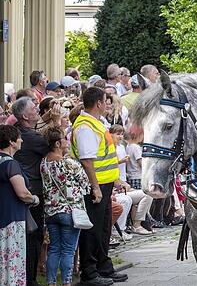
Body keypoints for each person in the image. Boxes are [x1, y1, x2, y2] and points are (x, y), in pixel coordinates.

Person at [70, 87, 126, 285]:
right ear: (98, 103)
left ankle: (103, 266)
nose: (108, 105)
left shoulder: (96, 123)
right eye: (105, 101)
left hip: (105, 183)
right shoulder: (86, 126)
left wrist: (114, 180)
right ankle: (89, 273)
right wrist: (95, 187)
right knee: (92, 230)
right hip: (95, 186)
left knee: (103, 228)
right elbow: (87, 160)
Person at [40, 126, 91, 286]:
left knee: (54, 248)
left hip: (51, 211)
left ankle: (51, 282)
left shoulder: (43, 163)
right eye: (64, 139)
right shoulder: (69, 163)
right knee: (68, 250)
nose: (67, 141)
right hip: (69, 211)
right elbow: (85, 184)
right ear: (57, 143)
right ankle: (66, 282)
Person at [12, 96, 48, 286]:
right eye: (34, 108)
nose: (37, 110)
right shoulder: (31, 138)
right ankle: (30, 278)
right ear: (25, 116)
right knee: (33, 236)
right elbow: (54, 146)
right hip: (31, 192)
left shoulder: (17, 130)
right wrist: (55, 122)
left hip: (23, 189)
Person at [1, 125, 40, 286]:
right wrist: (34, 199)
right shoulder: (11, 164)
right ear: (11, 141)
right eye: (19, 138)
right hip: (12, 218)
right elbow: (22, 193)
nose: (21, 140)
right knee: (12, 260)